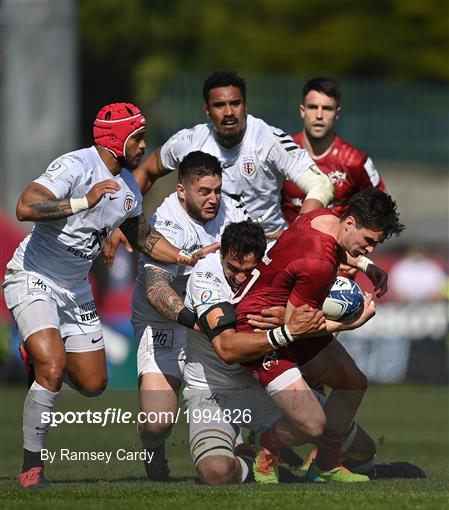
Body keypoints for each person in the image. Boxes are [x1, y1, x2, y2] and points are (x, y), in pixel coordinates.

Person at [2, 103, 209, 489]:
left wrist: (187, 256)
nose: (143, 146)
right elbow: (25, 206)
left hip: (76, 289)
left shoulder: (129, 188)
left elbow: (143, 238)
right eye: (138, 138)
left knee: (95, 384)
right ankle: (32, 466)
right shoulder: (75, 166)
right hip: (34, 275)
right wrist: (84, 201)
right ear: (117, 141)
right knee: (50, 366)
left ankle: (40, 351)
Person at [235, 188, 405, 483]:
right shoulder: (319, 263)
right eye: (368, 242)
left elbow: (299, 315)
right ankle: (267, 450)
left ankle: (325, 464)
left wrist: (367, 266)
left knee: (353, 382)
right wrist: (351, 323)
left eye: (375, 245)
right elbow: (297, 328)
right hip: (261, 332)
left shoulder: (323, 217)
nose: (370, 250)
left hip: (284, 318)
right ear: (350, 223)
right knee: (313, 425)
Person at [103, 71, 335, 265]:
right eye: (219, 105)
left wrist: (296, 234)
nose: (228, 112)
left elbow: (321, 185)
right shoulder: (191, 140)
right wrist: (124, 218)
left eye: (235, 103)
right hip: (207, 254)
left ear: (245, 106)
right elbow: (147, 171)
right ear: (207, 111)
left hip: (267, 252)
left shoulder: (269, 140)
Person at [132, 150, 251, 481]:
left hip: (209, 321)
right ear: (182, 191)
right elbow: (155, 289)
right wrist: (194, 321)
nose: (214, 199)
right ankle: (153, 448)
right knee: (157, 423)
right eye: (204, 192)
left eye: (217, 190)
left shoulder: (233, 212)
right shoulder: (166, 223)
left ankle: (243, 444)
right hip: (166, 324)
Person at [183, 221, 327, 484]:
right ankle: (256, 463)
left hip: (261, 384)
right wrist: (286, 331)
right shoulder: (206, 276)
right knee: (216, 472)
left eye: (248, 271)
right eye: (233, 269)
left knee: (352, 441)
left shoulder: (274, 265)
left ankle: (376, 469)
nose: (239, 278)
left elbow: (313, 235)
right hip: (212, 391)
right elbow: (227, 349)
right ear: (221, 254)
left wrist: (364, 266)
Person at [281, 77, 385, 224]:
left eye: (327, 108)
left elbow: (381, 208)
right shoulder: (282, 153)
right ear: (302, 111)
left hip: (335, 246)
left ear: (337, 113)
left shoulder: (355, 161)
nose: (319, 115)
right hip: (288, 244)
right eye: (313, 107)